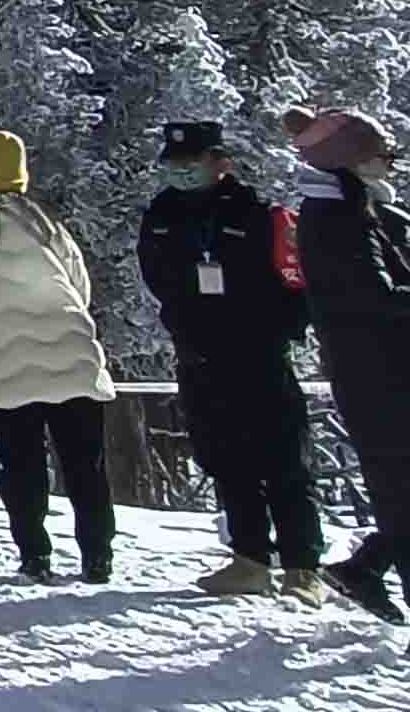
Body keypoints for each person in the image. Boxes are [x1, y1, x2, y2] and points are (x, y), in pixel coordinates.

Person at [138, 118, 327, 605]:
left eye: (192, 163)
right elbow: (158, 278)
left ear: (220, 163)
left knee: (284, 460)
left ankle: (303, 566)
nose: (182, 172)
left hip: (259, 354)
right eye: (174, 164)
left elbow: (294, 280)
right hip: (200, 356)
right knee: (226, 459)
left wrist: (277, 330)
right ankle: (249, 559)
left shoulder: (258, 213)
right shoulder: (160, 217)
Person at [0, 130, 116, 586]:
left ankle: (35, 555)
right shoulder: (46, 223)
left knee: (22, 467)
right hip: (74, 356)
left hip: (8, 366)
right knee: (85, 466)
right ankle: (98, 557)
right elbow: (81, 287)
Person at [289, 106, 409, 625]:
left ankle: (365, 567)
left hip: (381, 368)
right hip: (376, 374)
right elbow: (371, 296)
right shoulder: (336, 217)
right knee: (401, 491)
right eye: (379, 155)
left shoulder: (354, 207)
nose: (387, 164)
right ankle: (368, 568)